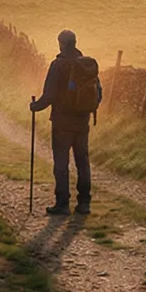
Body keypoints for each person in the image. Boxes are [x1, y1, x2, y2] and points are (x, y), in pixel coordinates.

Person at [29, 28, 99, 215]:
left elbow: (49, 95)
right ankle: (84, 203)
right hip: (82, 121)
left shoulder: (58, 65)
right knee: (82, 161)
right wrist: (85, 111)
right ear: (75, 43)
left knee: (61, 162)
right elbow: (98, 94)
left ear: (61, 43)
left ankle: (62, 204)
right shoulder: (87, 65)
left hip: (62, 122)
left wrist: (35, 107)